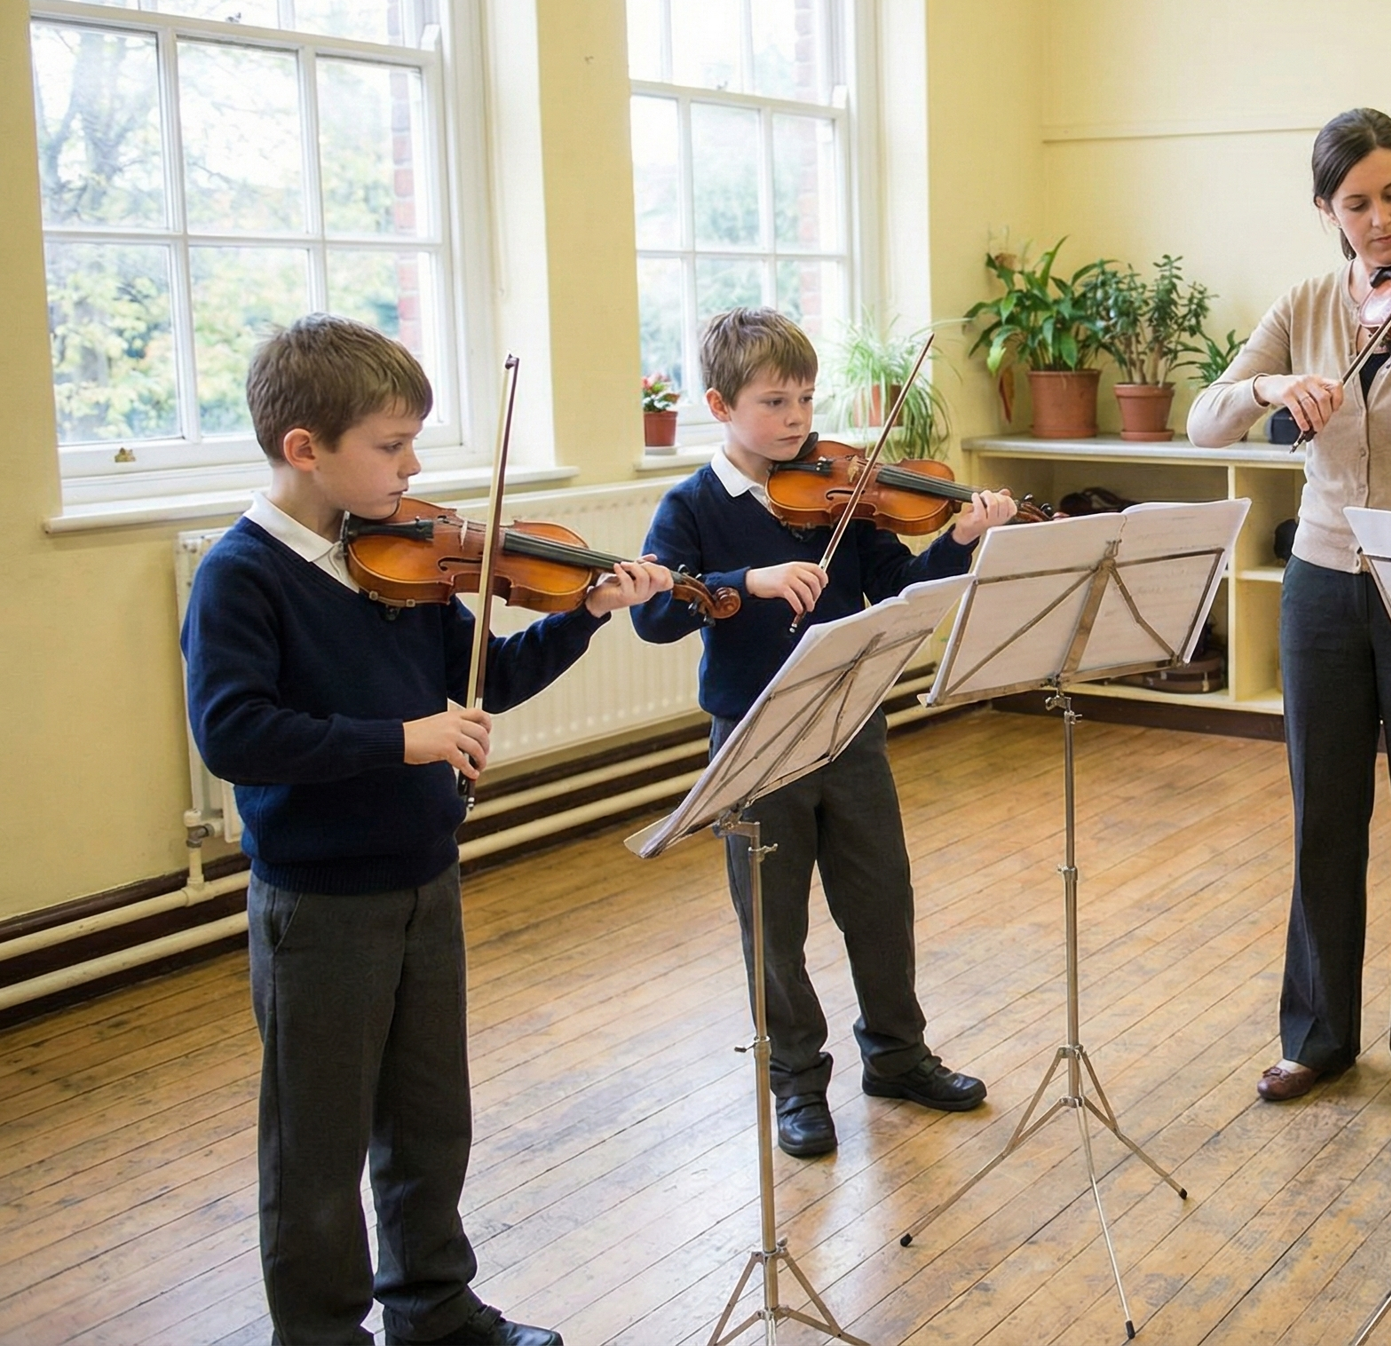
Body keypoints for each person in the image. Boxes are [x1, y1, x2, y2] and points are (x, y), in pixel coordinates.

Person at [184, 314, 675, 1346]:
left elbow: (484, 675)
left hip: (423, 872)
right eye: (391, 444)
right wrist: (398, 740)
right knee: (314, 1143)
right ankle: (319, 1329)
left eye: (414, 443)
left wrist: (586, 612)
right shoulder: (242, 573)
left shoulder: (397, 558)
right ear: (303, 449)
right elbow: (235, 731)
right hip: (317, 898)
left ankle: (433, 1302)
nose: (413, 466)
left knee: (428, 1114)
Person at [1186, 107, 1391, 1125]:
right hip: (1324, 577)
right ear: (1327, 210)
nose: (1380, 220)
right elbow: (1206, 423)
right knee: (1323, 815)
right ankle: (1317, 1036)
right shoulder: (1304, 303)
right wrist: (1276, 383)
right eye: (1357, 203)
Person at [635, 308, 1015, 1158]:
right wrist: (746, 582)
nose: (800, 419)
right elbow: (656, 616)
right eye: (775, 402)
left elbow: (901, 584)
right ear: (717, 404)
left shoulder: (842, 494)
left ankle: (898, 1055)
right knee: (773, 922)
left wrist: (959, 537)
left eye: (805, 398)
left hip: (850, 724)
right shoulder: (691, 506)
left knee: (882, 899)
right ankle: (798, 1083)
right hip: (756, 739)